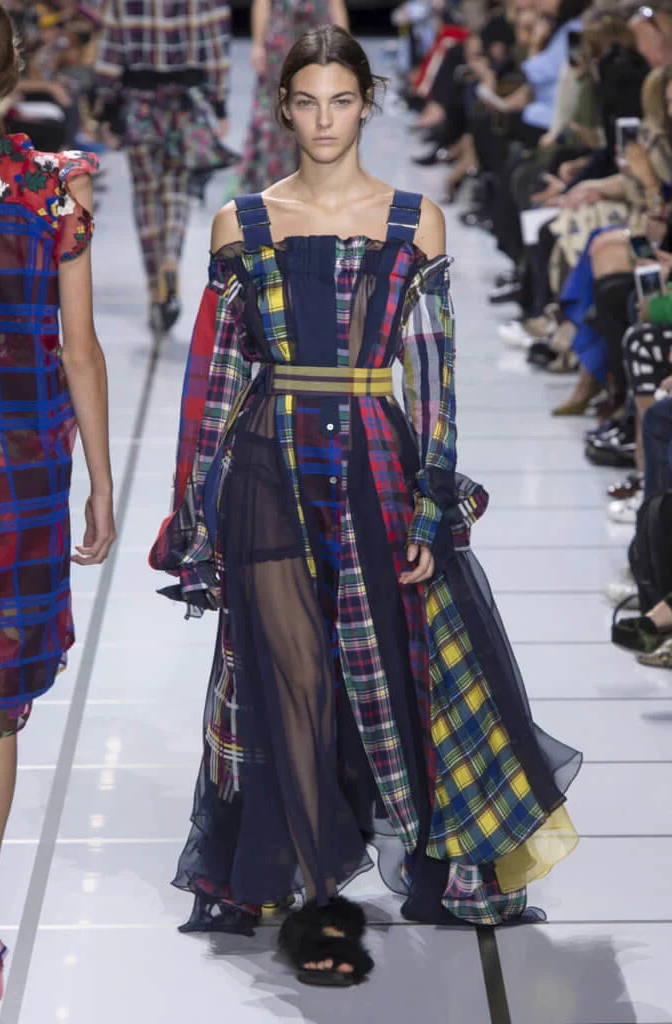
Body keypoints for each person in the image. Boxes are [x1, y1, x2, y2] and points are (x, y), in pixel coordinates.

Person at [150, 26, 581, 988]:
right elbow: (214, 385)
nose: (323, 121)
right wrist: (196, 515)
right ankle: (319, 901)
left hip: (375, 465)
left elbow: (432, 375)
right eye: (306, 102)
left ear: (365, 105)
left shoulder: (413, 222)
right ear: (282, 107)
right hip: (266, 466)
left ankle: (415, 858)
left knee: (388, 673)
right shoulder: (241, 223)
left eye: (340, 101)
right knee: (291, 682)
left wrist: (434, 503)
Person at [0, 0, 115, 1005]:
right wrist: (104, 484)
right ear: (12, 72)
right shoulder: (51, 188)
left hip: (16, 471)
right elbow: (79, 349)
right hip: (20, 473)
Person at [94, 0, 232, 332]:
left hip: (139, 105)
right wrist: (218, 103)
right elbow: (216, 50)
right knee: (178, 189)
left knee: (146, 194)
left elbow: (110, 51)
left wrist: (106, 107)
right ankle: (171, 256)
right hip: (186, 104)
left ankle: (154, 283)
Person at [234, 0, 349, 193]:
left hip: (319, 45)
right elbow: (262, 3)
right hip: (281, 45)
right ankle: (277, 184)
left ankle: (318, 182)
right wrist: (258, 45)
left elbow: (336, 5)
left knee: (318, 108)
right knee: (278, 111)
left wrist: (344, 47)